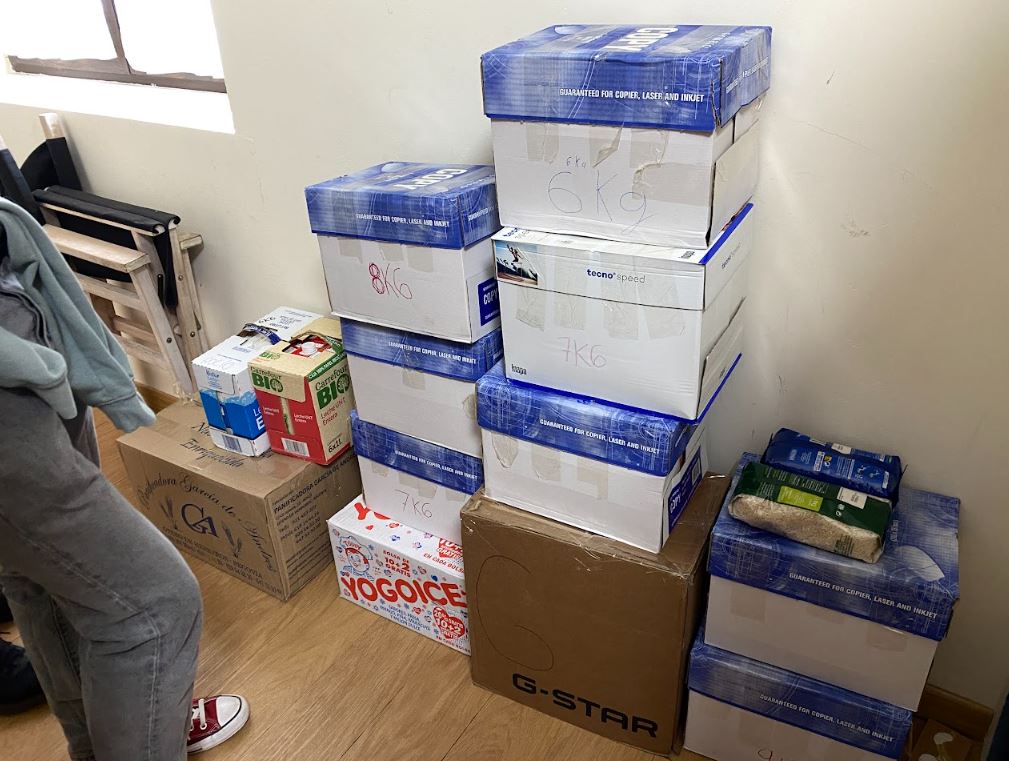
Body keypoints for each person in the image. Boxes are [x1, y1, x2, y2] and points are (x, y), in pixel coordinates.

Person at [0, 196, 249, 758]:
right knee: (155, 606)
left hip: (25, 331)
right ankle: (142, 730)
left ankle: (108, 739)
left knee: (41, 577)